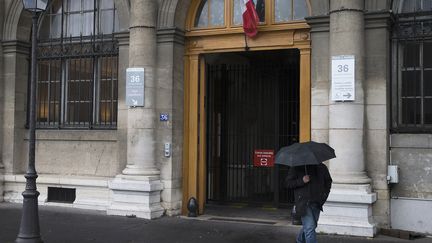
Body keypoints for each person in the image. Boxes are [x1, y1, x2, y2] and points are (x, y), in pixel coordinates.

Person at [284, 164, 332, 243]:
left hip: (317, 202)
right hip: (303, 203)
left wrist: (324, 196)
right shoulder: (296, 167)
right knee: (310, 227)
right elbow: (288, 183)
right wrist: (302, 181)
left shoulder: (321, 167)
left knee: (311, 226)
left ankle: (299, 240)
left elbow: (328, 181)